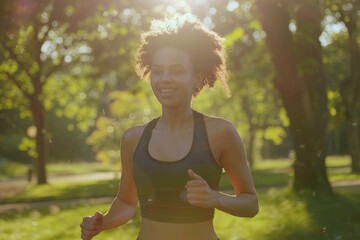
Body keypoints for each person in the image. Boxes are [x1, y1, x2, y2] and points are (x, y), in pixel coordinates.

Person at [80, 13, 258, 240]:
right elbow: (126, 202)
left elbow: (250, 203)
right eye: (157, 71)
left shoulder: (220, 133)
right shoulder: (133, 138)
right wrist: (101, 223)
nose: (165, 79)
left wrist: (215, 198)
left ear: (197, 77)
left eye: (177, 71)